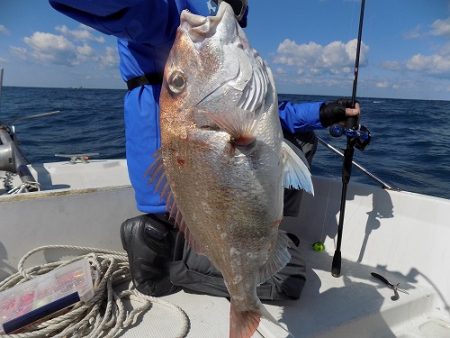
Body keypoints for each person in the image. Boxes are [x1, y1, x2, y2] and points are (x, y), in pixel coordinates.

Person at [49, 0, 360, 299]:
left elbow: (260, 115)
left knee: (301, 139)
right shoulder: (167, 16)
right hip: (191, 202)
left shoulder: (216, 45)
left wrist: (322, 112)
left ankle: (258, 236)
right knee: (285, 280)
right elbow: (126, 7)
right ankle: (166, 253)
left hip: (219, 180)